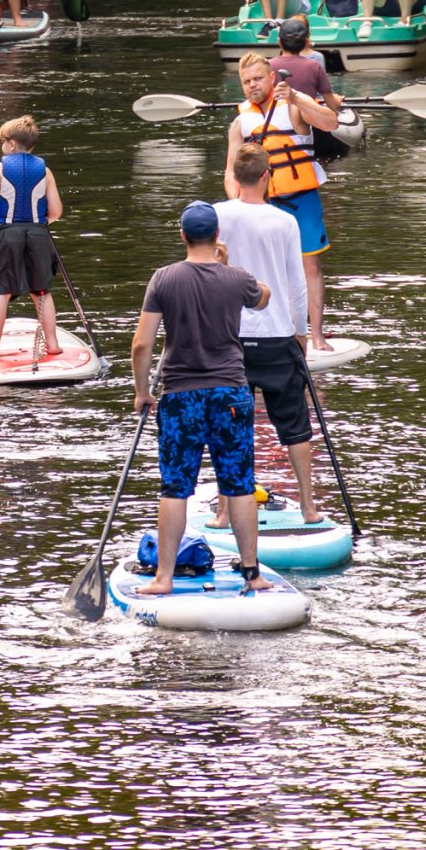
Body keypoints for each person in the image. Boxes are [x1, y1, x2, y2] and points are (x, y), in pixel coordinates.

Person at [129, 202, 271, 595]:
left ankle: (164, 578)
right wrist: (227, 265)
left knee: (175, 488)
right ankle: (252, 574)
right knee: (239, 485)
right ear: (216, 235)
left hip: (180, 396)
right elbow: (264, 298)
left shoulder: (163, 279)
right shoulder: (236, 278)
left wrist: (143, 392)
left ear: (182, 235)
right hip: (231, 394)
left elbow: (142, 344)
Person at [216, 145, 326, 520]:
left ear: (233, 176)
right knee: (295, 425)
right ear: (267, 177)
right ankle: (309, 507)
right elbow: (297, 283)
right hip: (277, 335)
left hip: (230, 339)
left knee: (230, 426)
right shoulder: (285, 221)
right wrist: (301, 332)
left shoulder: (215, 216)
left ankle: (223, 510)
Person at [225, 54, 341, 343]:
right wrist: (237, 204)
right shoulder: (241, 122)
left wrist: (298, 99)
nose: (253, 85)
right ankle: (268, 332)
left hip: (301, 200)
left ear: (272, 78)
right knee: (258, 268)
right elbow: (230, 172)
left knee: (309, 267)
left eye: (258, 79)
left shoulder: (294, 105)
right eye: (246, 81)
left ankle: (315, 335)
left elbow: (330, 122)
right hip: (262, 205)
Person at [0, 115, 66, 360]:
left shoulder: (0, 168)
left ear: (11, 144)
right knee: (42, 290)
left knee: (0, 290)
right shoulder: (45, 170)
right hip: (39, 233)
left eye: (3, 141)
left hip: (8, 234)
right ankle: (52, 344)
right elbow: (55, 211)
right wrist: (38, 226)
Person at [270, 17, 339, 111]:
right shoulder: (314, 66)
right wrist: (337, 101)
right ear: (306, 42)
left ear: (279, 42)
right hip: (307, 119)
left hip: (274, 122)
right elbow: (332, 105)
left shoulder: (267, 65)